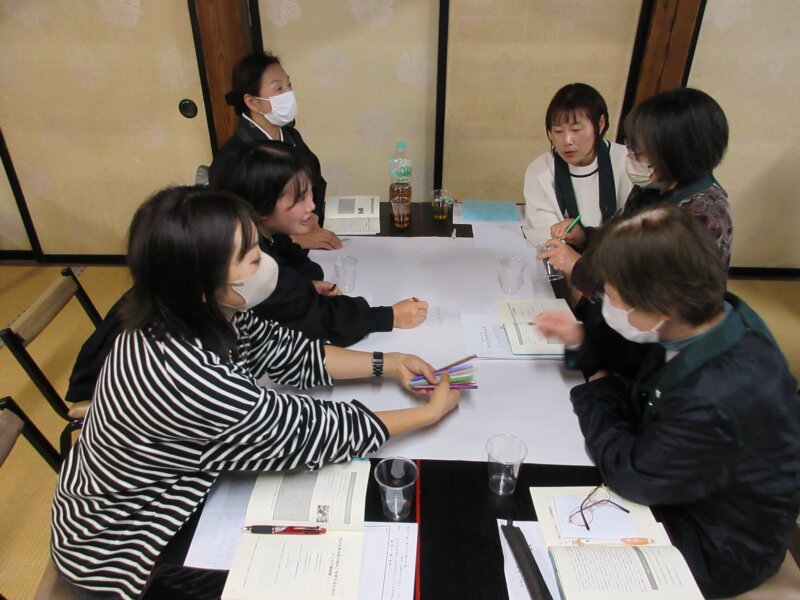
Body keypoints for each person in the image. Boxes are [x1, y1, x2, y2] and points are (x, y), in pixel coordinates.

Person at [51, 187, 461, 600]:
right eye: (250, 257)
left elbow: (286, 352)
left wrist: (388, 362)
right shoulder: (184, 373)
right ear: (201, 283)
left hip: (167, 490)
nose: (265, 262)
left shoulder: (198, 313)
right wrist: (427, 415)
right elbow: (307, 432)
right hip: (124, 545)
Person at [535, 205, 800, 598]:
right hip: (693, 484)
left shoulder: (715, 393)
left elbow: (632, 475)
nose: (607, 306)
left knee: (558, 552)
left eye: (613, 297)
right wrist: (583, 342)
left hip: (720, 542)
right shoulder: (706, 316)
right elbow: (641, 354)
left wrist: (598, 388)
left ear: (659, 306)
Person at [210, 140, 429, 345]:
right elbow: (320, 319)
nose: (311, 206)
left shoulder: (267, 234)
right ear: (260, 207)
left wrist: (305, 287)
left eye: (309, 195)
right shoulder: (251, 264)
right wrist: (389, 316)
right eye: (300, 199)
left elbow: (303, 272)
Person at [540, 87, 732, 299]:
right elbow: (622, 241)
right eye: (631, 147)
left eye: (638, 151)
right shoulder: (654, 186)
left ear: (674, 152)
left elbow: (648, 294)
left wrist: (576, 265)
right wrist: (584, 236)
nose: (630, 156)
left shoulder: (702, 217)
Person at [211, 50, 341, 251]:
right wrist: (294, 241)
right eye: (278, 88)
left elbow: (315, 180)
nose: (288, 93)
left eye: (289, 85)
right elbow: (232, 229)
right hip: (266, 256)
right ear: (252, 101)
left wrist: (311, 217)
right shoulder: (234, 158)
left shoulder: (291, 136)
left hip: (304, 240)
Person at [523, 83, 631, 244]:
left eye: (576, 130)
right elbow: (545, 233)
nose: (567, 140)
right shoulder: (539, 171)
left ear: (600, 124)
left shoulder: (626, 161)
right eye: (558, 131)